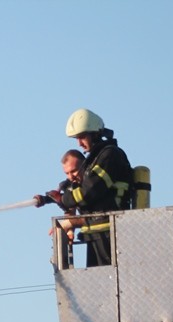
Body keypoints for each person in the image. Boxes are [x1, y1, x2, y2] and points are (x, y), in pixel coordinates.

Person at [57, 108, 133, 266]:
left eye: (82, 136)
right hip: (96, 233)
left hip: (110, 231)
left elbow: (89, 191)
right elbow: (78, 186)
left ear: (95, 133)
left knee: (110, 280)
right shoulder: (94, 160)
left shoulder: (110, 155)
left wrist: (64, 199)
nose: (79, 143)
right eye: (76, 138)